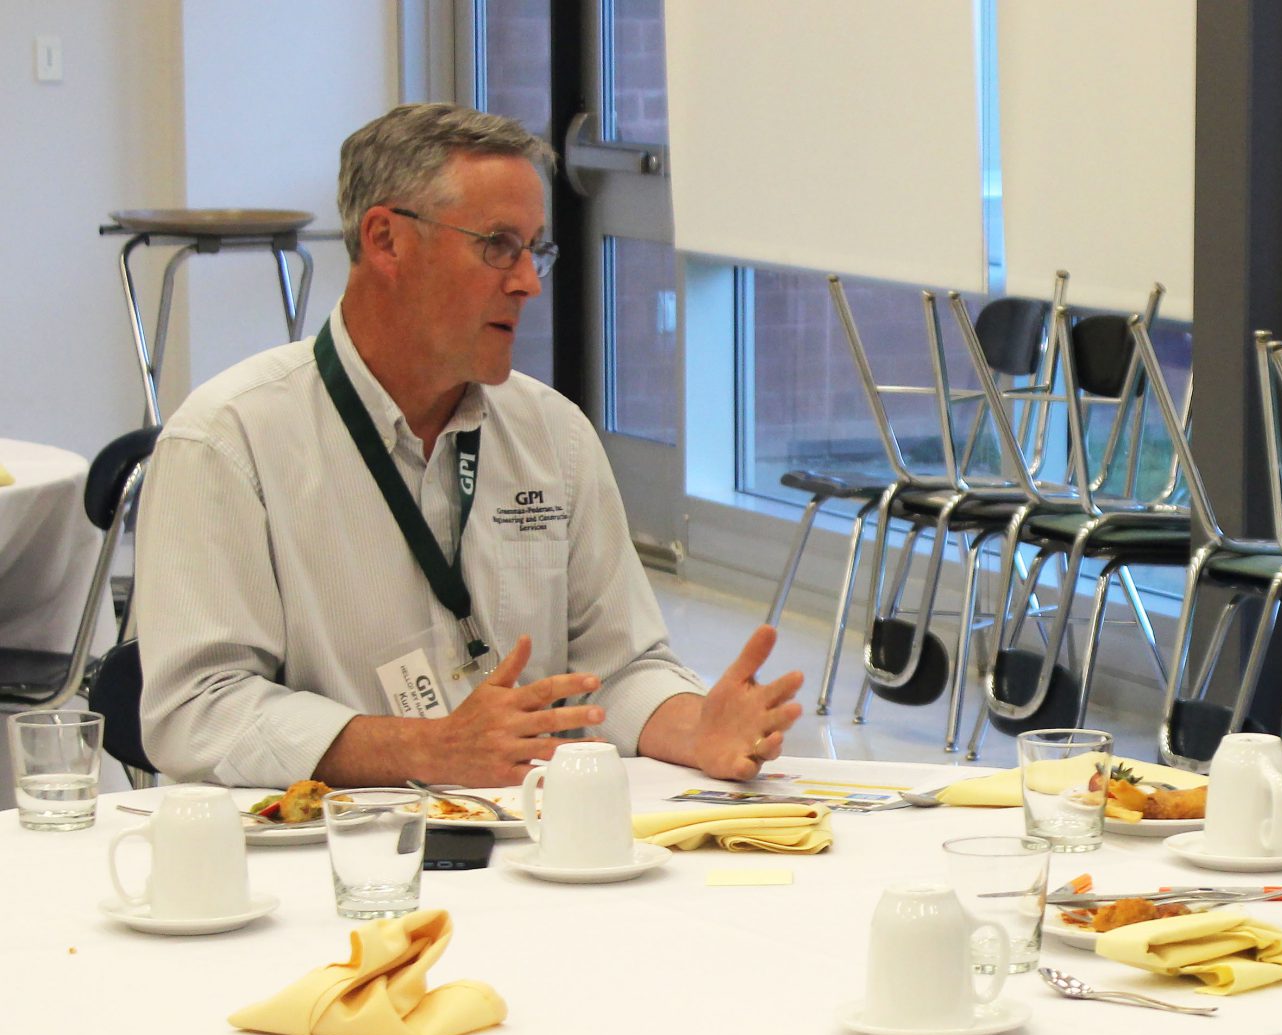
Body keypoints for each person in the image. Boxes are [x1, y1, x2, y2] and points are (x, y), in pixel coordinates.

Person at [133, 103, 799, 788]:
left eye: (535, 249)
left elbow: (619, 668)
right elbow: (195, 709)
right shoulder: (227, 441)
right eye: (497, 245)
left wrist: (695, 727)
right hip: (335, 856)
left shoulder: (553, 435)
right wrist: (421, 748)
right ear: (386, 240)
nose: (528, 282)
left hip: (531, 846)